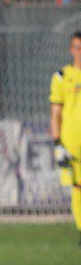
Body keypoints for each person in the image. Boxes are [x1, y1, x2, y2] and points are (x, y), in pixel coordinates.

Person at [50, 32, 81, 245]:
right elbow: (56, 113)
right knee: (78, 188)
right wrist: (57, 144)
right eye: (77, 47)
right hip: (72, 141)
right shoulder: (62, 76)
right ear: (71, 49)